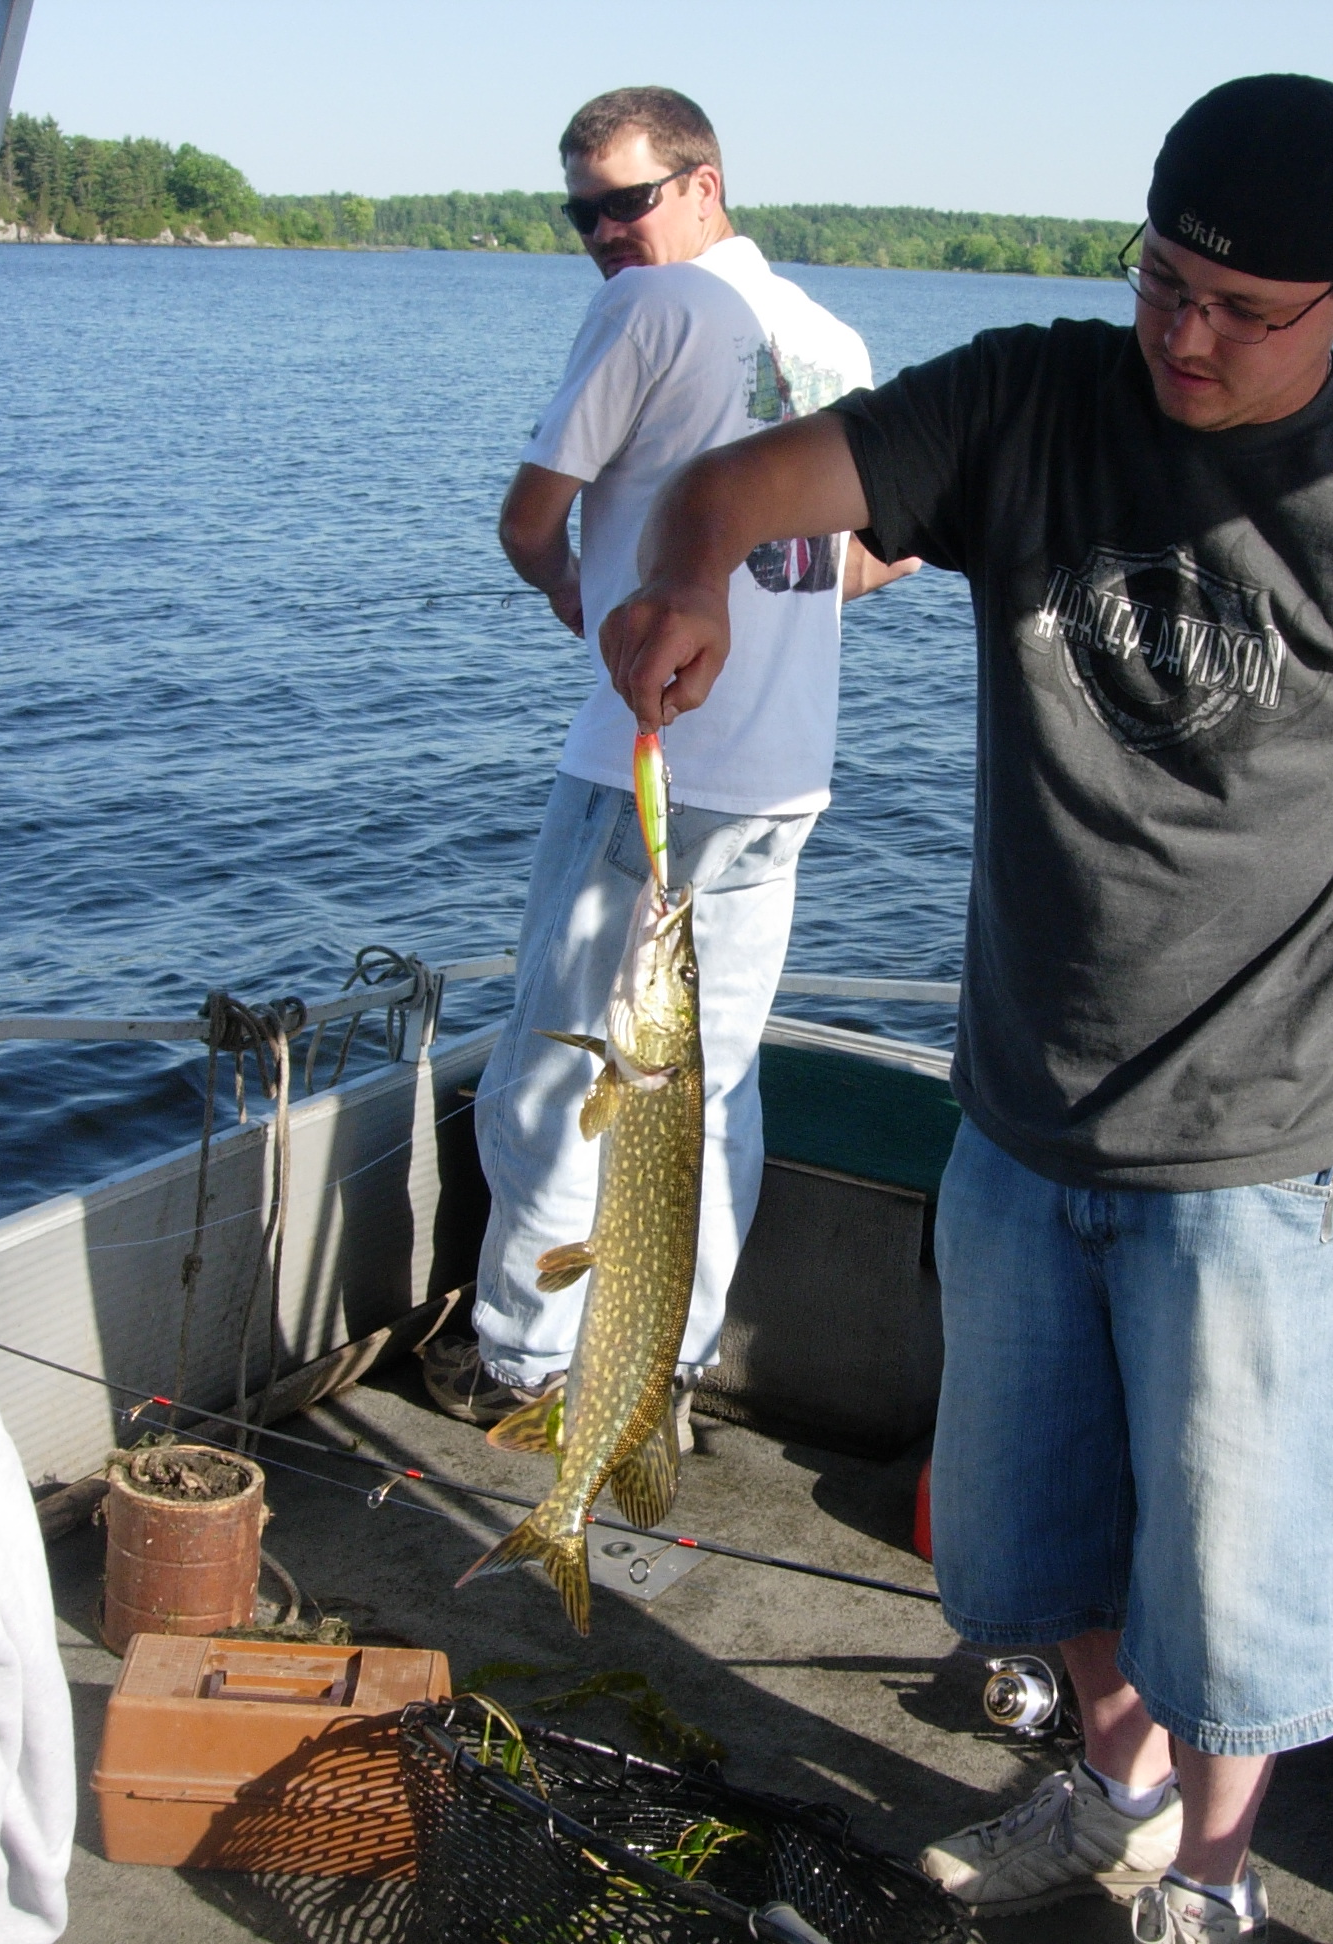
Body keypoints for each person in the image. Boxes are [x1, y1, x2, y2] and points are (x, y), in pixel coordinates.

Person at [598, 74, 1333, 1944]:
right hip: (1019, 1113)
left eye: (1244, 310)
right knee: (1032, 1535)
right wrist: (688, 580)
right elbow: (730, 488)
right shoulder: (1028, 401)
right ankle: (1114, 1783)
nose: (1186, 338)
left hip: (1267, 1146)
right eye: (1162, 283)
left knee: (1238, 1585)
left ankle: (1209, 1881)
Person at [424, 87, 911, 1432]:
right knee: (711, 1084)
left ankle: (527, 1363)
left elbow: (529, 523)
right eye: (578, 213)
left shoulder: (653, 306)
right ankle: (670, 1365)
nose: (601, 235)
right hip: (784, 785)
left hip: (643, 767)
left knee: (556, 1074)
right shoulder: (830, 339)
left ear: (705, 184)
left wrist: (583, 600)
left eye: (625, 203)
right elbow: (863, 561)